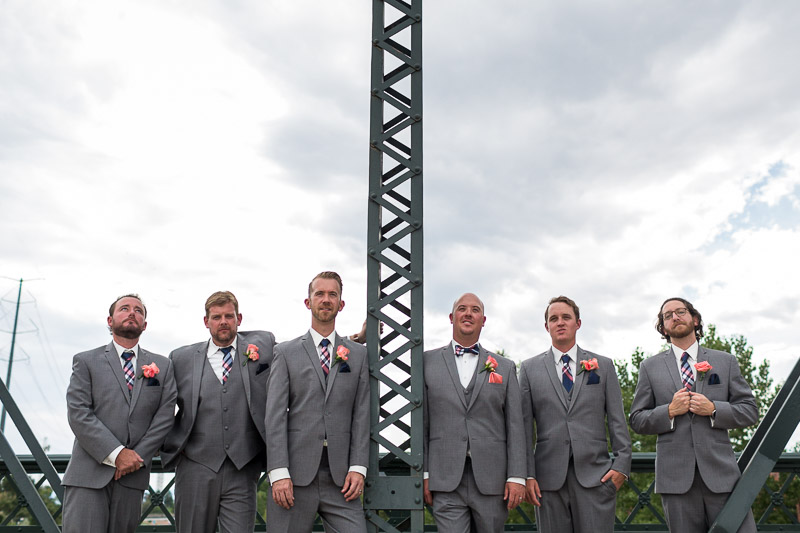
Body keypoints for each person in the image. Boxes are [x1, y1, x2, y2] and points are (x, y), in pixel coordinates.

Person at [630, 297, 758, 533]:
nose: (675, 317)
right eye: (667, 316)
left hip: (722, 477)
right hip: (675, 482)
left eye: (680, 312)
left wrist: (714, 409)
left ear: (694, 318)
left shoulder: (725, 361)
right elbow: (637, 419)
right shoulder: (649, 367)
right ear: (663, 327)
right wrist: (668, 411)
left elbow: (750, 410)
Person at [161, 291, 276, 533]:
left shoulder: (263, 345)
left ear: (239, 318)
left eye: (228, 316)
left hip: (243, 467)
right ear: (206, 322)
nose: (223, 321)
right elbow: (159, 406)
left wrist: (350, 340)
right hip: (194, 466)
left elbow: (299, 356)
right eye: (216, 317)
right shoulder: (180, 358)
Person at [62, 294, 177, 533]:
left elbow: (165, 416)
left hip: (133, 478)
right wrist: (117, 454)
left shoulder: (163, 366)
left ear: (144, 324)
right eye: (124, 308)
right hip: (88, 476)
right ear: (110, 319)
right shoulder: (86, 361)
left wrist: (135, 458)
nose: (132, 313)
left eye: (139, 310)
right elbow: (79, 414)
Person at [265, 271, 370, 532]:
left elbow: (362, 414)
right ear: (308, 302)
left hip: (342, 479)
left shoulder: (357, 354)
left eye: (332, 294)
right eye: (319, 294)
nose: (326, 299)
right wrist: (278, 472)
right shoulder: (286, 353)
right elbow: (274, 416)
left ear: (341, 304)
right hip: (293, 479)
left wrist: (358, 467)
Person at [519, 295, 631, 533]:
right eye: (554, 318)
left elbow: (617, 420)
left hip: (596, 477)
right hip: (547, 480)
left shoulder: (604, 365)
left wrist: (622, 465)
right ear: (546, 326)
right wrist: (526, 474)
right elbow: (524, 428)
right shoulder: (529, 369)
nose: (560, 322)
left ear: (577, 324)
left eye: (566, 317)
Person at [422, 293, 526, 532]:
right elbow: (423, 423)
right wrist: (424, 472)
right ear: (452, 317)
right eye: (462, 308)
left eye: (475, 310)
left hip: (492, 480)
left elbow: (516, 427)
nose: (468, 313)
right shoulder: (427, 362)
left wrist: (517, 476)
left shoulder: (505, 367)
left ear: (483, 319)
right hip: (445, 479)